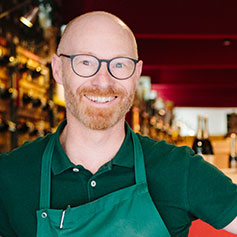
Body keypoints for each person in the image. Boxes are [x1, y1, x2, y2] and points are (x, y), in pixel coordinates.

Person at [0, 11, 237, 237]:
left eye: (120, 64)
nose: (103, 81)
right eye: (85, 62)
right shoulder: (11, 175)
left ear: (136, 74)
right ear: (58, 70)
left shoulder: (179, 169)